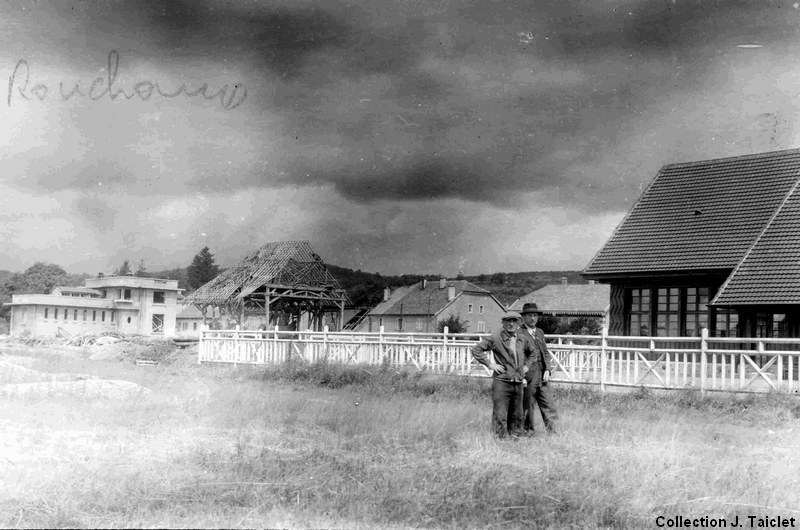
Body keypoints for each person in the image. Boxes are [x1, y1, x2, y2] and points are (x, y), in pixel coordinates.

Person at [470, 311, 538, 438]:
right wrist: (491, 364)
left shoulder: (522, 339)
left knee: (517, 414)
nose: (511, 324)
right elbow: (476, 349)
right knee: (500, 413)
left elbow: (533, 353)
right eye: (508, 321)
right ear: (503, 323)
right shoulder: (496, 338)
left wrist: (526, 366)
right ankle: (499, 439)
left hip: (518, 381)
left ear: (518, 323)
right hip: (502, 381)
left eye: (514, 321)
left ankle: (515, 438)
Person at [518, 302, 559, 434]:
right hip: (529, 375)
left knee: (549, 404)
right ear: (523, 317)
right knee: (528, 405)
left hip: (543, 375)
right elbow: (519, 356)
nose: (533, 318)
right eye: (529, 315)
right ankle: (527, 433)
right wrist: (523, 376)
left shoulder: (540, 332)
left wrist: (548, 369)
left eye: (535, 315)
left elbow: (545, 352)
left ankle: (553, 433)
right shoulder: (519, 333)